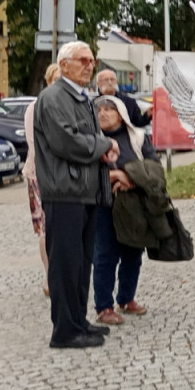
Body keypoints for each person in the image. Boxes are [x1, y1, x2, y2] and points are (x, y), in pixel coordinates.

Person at [33, 41, 119, 349]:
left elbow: (89, 137)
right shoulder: (54, 97)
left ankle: (78, 320)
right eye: (82, 60)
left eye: (92, 60)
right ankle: (64, 330)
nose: (89, 65)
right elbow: (65, 141)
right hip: (65, 191)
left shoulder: (82, 97)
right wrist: (104, 146)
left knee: (83, 262)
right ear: (64, 64)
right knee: (66, 263)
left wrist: (103, 147)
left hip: (86, 190)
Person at [91, 96, 167, 325]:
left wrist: (130, 177)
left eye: (109, 109)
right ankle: (104, 306)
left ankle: (126, 298)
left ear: (121, 113)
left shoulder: (138, 137)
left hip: (134, 205)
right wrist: (111, 175)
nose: (103, 113)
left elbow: (153, 166)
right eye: (99, 110)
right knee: (105, 256)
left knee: (133, 254)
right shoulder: (91, 140)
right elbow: (85, 174)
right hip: (104, 206)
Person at [23, 62, 61, 298]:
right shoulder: (35, 107)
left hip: (62, 177)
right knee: (45, 229)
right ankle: (49, 277)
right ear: (48, 82)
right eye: (56, 79)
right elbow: (34, 144)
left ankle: (62, 274)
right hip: (39, 174)